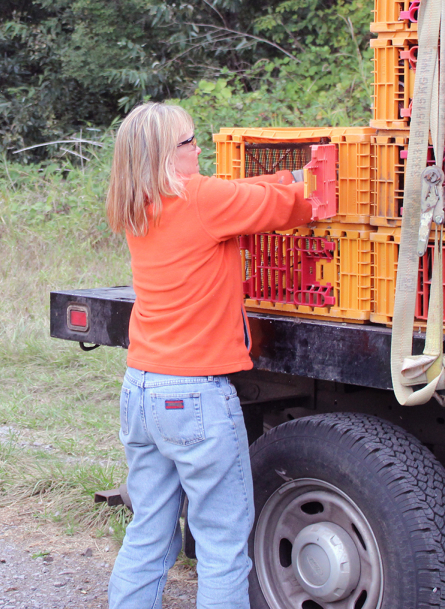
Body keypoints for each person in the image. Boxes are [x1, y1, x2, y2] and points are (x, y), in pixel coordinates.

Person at [104, 103, 315, 609]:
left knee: (149, 534)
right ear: (162, 154)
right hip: (194, 392)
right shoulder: (200, 200)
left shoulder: (137, 203)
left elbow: (249, 195)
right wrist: (321, 172)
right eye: (187, 142)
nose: (197, 148)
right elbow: (290, 206)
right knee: (222, 546)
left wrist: (286, 176)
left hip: (142, 387)